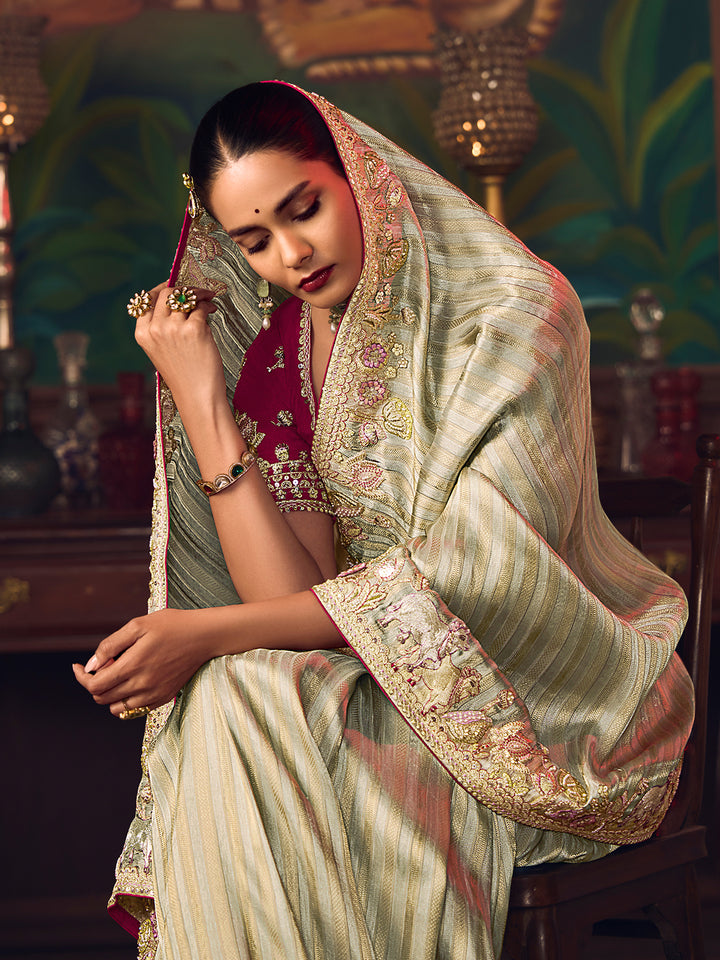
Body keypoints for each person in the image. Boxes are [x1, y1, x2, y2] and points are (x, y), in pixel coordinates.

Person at [73, 81, 693, 960]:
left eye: (304, 209)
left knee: (231, 684)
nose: (291, 253)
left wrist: (202, 633)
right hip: (366, 675)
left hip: (530, 690)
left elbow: (483, 578)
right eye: (255, 240)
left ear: (359, 170)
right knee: (241, 688)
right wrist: (204, 402)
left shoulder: (516, 314)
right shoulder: (287, 349)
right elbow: (291, 602)